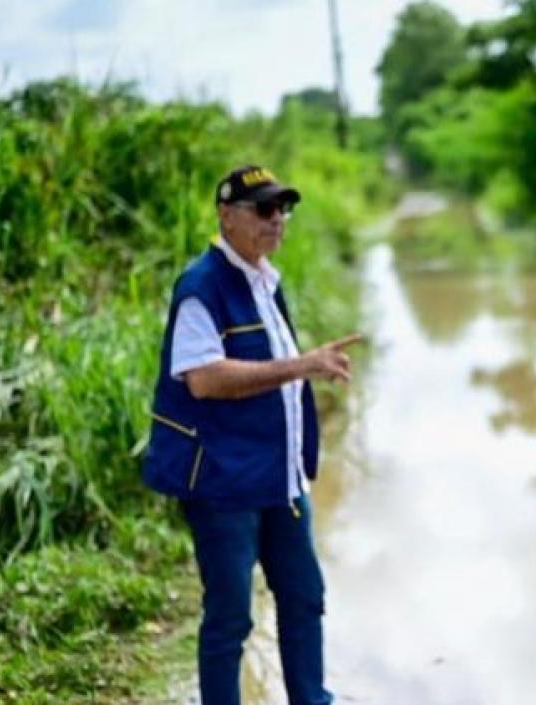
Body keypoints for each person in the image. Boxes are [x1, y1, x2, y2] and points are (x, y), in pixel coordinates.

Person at [143, 165, 361, 705]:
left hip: (279, 479)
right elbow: (204, 379)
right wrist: (301, 365)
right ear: (226, 216)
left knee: (304, 597)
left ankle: (312, 700)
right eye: (264, 210)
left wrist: (302, 371)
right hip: (224, 484)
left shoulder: (265, 279)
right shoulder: (201, 287)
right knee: (230, 619)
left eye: (283, 209)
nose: (277, 220)